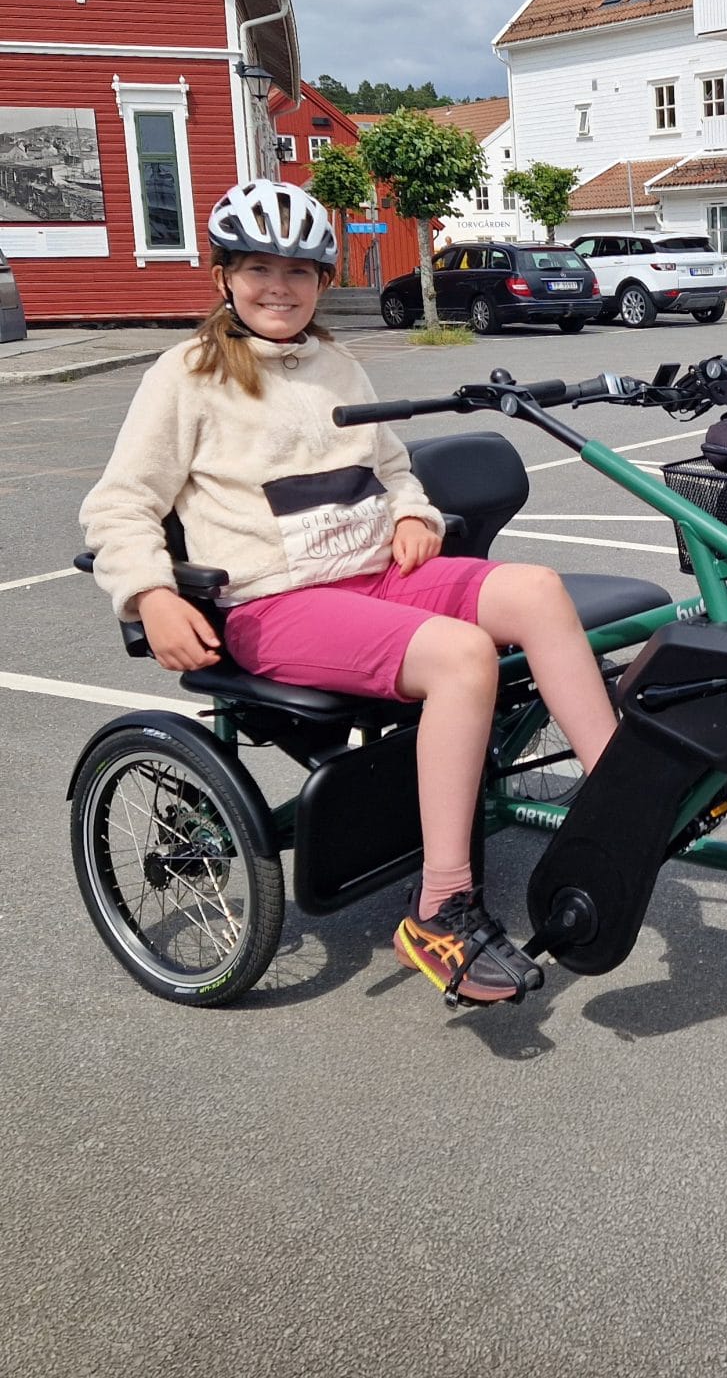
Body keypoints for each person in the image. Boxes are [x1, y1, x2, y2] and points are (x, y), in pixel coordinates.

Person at [81, 180, 617, 1006]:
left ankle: (620, 807)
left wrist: (413, 514)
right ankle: (441, 908)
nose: (278, 287)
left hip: (377, 575)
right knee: (463, 656)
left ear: (323, 282)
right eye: (257, 268)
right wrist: (151, 594)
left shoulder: (338, 365)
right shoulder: (185, 375)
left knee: (539, 590)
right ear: (224, 277)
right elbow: (120, 505)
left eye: (298, 271)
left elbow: (392, 467)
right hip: (274, 602)